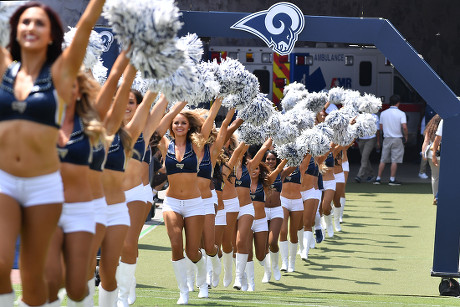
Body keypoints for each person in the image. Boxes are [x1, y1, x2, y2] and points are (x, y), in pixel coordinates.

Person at [0, 1, 104, 306]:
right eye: (25, 22)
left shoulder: (60, 73)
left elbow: (85, 25)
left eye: (39, 23)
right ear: (14, 30)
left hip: (42, 186)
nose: (31, 27)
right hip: (4, 179)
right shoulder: (5, 68)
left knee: (35, 284)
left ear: (51, 36)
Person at [46, 69, 105, 306]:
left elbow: (113, 92)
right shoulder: (41, 119)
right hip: (47, 207)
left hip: (82, 209)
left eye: (73, 87)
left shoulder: (90, 124)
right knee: (50, 274)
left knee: (77, 285)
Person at [374, 94, 408, 185]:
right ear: (398, 103)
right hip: (397, 138)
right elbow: (404, 127)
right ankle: (392, 179)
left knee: (383, 159)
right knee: (394, 160)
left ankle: (378, 178)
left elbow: (380, 127)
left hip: (387, 138)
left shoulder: (383, 113)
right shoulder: (401, 113)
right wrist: (406, 136)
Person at [355, 113, 379, 183]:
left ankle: (359, 176)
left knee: (364, 158)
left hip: (371, 139)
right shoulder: (359, 116)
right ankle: (371, 175)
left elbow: (377, 130)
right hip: (361, 139)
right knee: (365, 158)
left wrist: (378, 141)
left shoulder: (374, 116)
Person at [429, 117, 443, 205]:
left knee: (435, 177)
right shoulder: (445, 120)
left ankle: (436, 197)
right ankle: (437, 197)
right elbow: (437, 138)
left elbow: (437, 138)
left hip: (439, 153)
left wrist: (433, 155)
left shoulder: (444, 120)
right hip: (445, 154)